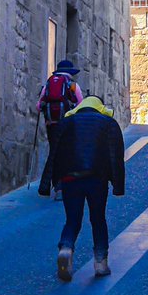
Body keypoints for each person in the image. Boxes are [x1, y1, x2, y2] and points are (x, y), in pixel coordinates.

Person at [51, 95, 125, 281]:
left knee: (72, 220)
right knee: (98, 219)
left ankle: (66, 248)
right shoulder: (108, 123)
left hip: (70, 179)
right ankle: (101, 262)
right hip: (96, 180)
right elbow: (115, 156)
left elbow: (55, 154)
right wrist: (118, 185)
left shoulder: (67, 122)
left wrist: (53, 183)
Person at [37, 59, 83, 200]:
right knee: (66, 154)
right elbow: (80, 104)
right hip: (67, 125)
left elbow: (39, 106)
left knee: (54, 153)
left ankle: (53, 186)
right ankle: (62, 187)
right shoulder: (73, 85)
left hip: (52, 125)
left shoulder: (48, 85)